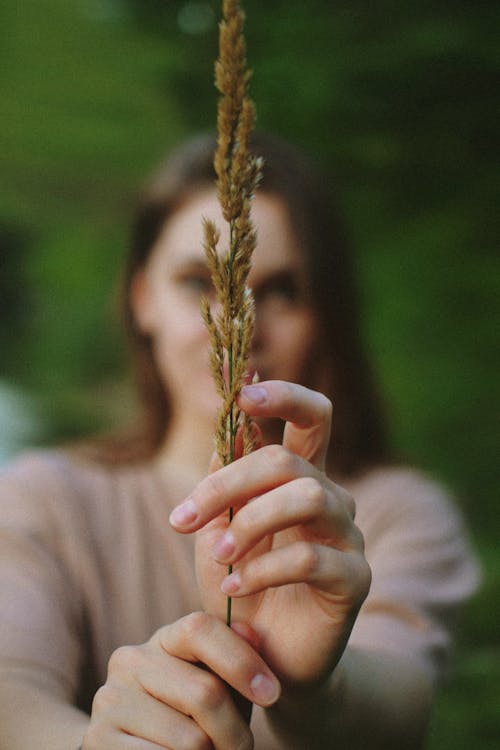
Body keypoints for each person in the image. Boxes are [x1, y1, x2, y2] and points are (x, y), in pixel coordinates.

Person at [0, 133, 479, 750]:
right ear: (142, 300)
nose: (237, 324)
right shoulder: (44, 497)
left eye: (281, 290)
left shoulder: (389, 509)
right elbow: (11, 692)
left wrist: (315, 689)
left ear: (327, 316)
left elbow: (401, 700)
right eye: (201, 282)